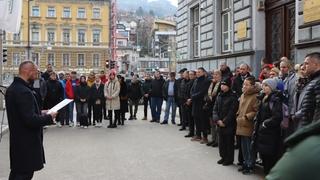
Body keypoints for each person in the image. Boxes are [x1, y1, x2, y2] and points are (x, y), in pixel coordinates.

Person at [5, 61, 57, 180]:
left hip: (19, 140)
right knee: (24, 175)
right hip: (26, 142)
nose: (36, 75)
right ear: (27, 71)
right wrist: (49, 117)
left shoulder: (15, 88)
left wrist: (41, 112)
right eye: (35, 72)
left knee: (17, 173)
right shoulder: (23, 91)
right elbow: (30, 120)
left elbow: (22, 113)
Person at [252, 78, 283, 175]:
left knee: (269, 158)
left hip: (269, 133)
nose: (263, 87)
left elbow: (277, 116)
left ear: (272, 87)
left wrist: (265, 123)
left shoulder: (275, 99)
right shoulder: (264, 98)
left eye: (266, 86)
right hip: (262, 132)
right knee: (264, 156)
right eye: (263, 85)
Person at [236, 77, 259, 174]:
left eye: (247, 84)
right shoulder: (242, 95)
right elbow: (240, 108)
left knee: (249, 147)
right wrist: (237, 115)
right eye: (244, 84)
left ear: (252, 86)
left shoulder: (255, 96)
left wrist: (246, 117)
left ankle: (250, 165)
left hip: (248, 124)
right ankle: (246, 163)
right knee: (243, 147)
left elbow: (256, 111)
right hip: (240, 123)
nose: (244, 86)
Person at [212, 78, 238, 166]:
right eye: (222, 85)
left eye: (224, 85)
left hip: (228, 123)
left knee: (228, 142)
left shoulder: (233, 96)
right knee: (221, 142)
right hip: (219, 122)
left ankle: (229, 159)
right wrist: (217, 120)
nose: (222, 86)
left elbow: (232, 111)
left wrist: (225, 121)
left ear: (229, 86)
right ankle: (223, 157)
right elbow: (215, 109)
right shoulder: (219, 95)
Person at [294, 52, 320, 127]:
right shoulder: (313, 80)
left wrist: (313, 131)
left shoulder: (318, 81)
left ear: (316, 64)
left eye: (307, 64)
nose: (303, 67)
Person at [190, 67, 211, 144]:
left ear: (203, 72)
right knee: (196, 119)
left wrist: (193, 96)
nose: (198, 73)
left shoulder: (206, 81)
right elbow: (192, 89)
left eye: (199, 72)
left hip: (202, 103)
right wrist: (192, 95)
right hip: (195, 103)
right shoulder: (196, 80)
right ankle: (198, 135)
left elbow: (203, 92)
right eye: (197, 72)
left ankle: (205, 137)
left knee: (203, 121)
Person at [206, 70, 222, 147]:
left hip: (217, 107)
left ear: (220, 76)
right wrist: (207, 98)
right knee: (212, 125)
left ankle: (218, 141)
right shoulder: (212, 83)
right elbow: (208, 94)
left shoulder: (221, 84)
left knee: (216, 125)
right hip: (210, 106)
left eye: (216, 74)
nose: (214, 76)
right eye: (214, 74)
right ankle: (213, 139)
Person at [184, 70, 196, 138]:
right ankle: (191, 132)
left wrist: (190, 99)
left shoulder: (195, 82)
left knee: (194, 119)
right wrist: (187, 99)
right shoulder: (188, 82)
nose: (190, 76)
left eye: (192, 74)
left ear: (194, 75)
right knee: (190, 119)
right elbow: (185, 92)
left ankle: (195, 132)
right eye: (190, 74)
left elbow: (194, 92)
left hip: (193, 102)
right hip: (188, 102)